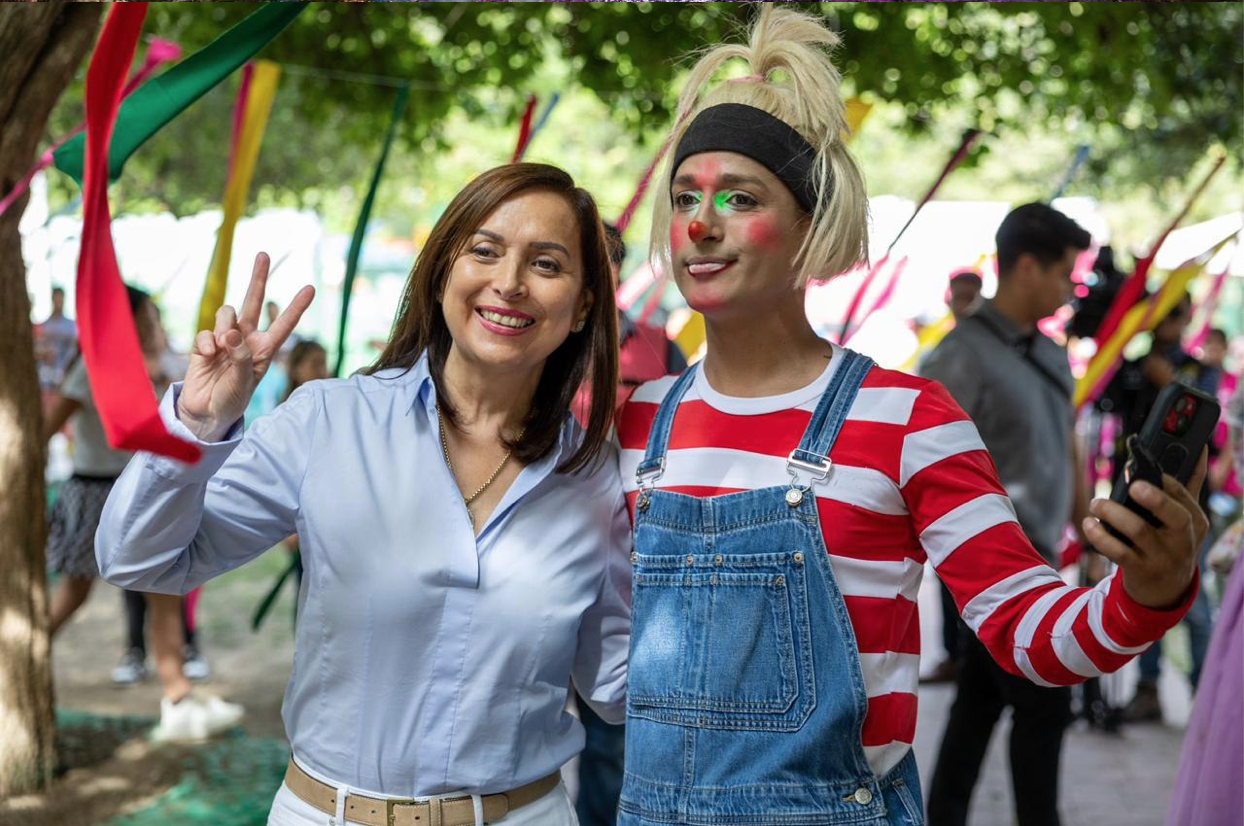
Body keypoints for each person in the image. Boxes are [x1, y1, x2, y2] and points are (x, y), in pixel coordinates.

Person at [615, 7, 1209, 826]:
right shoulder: (637, 423)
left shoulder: (906, 418)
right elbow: (598, 660)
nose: (700, 224)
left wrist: (1152, 587)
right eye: (685, 197)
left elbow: (1031, 637)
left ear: (810, 226)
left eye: (738, 197)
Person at [97, 163, 630, 826]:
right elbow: (139, 560)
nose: (509, 283)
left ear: (582, 305)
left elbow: (618, 686)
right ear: (442, 274)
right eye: (485, 251)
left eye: (546, 264)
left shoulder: (597, 476)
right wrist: (195, 428)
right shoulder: (328, 420)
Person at [921, 203, 1093, 826]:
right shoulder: (957, 358)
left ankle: (941, 814)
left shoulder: (1048, 354)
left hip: (1045, 564)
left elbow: (1067, 444)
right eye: (1064, 273)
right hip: (991, 578)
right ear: (1026, 266)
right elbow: (924, 467)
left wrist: (1090, 534)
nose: (1070, 288)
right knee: (1046, 704)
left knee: (979, 704)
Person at [44, 286, 239, 741]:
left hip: (145, 491)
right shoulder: (94, 368)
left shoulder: (167, 367)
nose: (156, 325)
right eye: (148, 317)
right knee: (74, 594)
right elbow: (49, 427)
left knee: (164, 591)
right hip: (95, 492)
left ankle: (178, 697)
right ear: (127, 323)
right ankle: (20, 662)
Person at [573, 227, 685, 826]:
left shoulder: (659, 347)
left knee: (612, 739)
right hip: (538, 554)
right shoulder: (529, 340)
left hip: (627, 567)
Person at [1101, 296, 1218, 723]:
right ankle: (1147, 691)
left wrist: (1165, 378)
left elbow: (1212, 423)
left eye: (1175, 315)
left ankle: (1204, 698)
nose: (1168, 324)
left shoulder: (1196, 367)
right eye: (1162, 315)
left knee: (1197, 606)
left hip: (1186, 506)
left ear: (1187, 318)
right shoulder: (1130, 364)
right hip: (1134, 495)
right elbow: (1104, 402)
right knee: (1142, 595)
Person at [921, 268, 985, 685]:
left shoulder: (989, 351)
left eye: (969, 298)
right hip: (944, 476)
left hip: (981, 477)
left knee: (977, 572)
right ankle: (956, 655)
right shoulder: (945, 350)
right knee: (946, 574)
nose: (961, 305)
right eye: (956, 297)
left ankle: (973, 658)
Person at [36, 285, 78, 392]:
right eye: (56, 299)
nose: (59, 303)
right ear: (52, 300)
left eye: (61, 300)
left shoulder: (72, 326)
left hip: (64, 375)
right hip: (44, 377)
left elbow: (75, 350)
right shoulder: (44, 325)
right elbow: (37, 348)